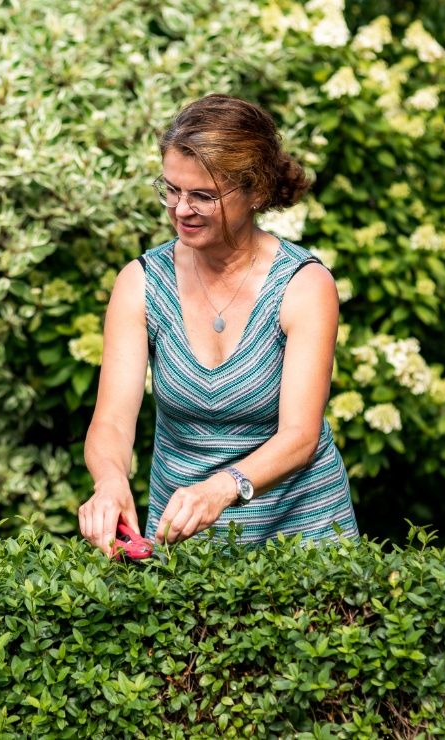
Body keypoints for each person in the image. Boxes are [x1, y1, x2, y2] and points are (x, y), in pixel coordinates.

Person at [78, 93, 361, 556]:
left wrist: (221, 489)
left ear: (255, 192)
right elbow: (111, 420)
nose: (180, 209)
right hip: (185, 542)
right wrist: (110, 481)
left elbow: (300, 437)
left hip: (304, 539)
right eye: (171, 189)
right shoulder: (142, 283)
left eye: (202, 197)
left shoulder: (303, 285)